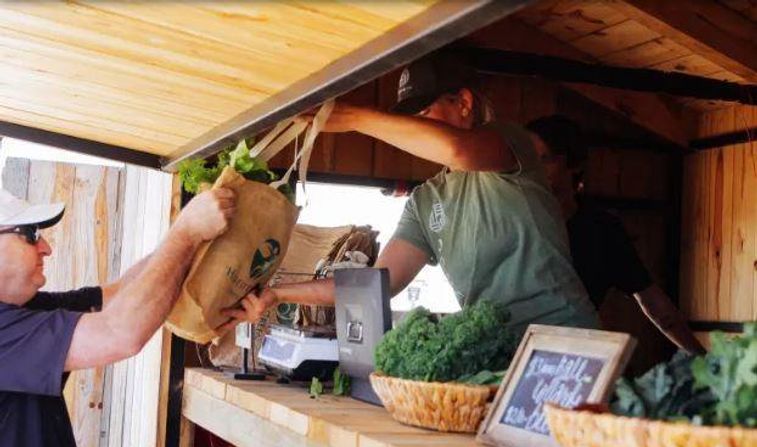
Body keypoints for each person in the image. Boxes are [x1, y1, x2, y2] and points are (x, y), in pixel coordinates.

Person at [224, 52, 598, 336]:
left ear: (464, 104)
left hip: (566, 337)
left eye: (421, 112)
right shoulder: (426, 201)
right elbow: (379, 284)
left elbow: (459, 151)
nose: (411, 128)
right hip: (503, 348)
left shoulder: (510, 143)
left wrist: (353, 118)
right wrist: (280, 294)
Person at [0, 185, 235, 447]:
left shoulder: (21, 311)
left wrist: (195, 239)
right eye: (31, 233)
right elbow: (119, 333)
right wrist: (185, 233)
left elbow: (122, 294)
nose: (47, 247)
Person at [526, 114, 704, 354]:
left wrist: (703, 360)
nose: (533, 170)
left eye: (545, 159)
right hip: (510, 351)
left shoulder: (601, 230)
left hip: (573, 355)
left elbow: (654, 303)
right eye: (527, 160)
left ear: (574, 164)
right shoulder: (513, 221)